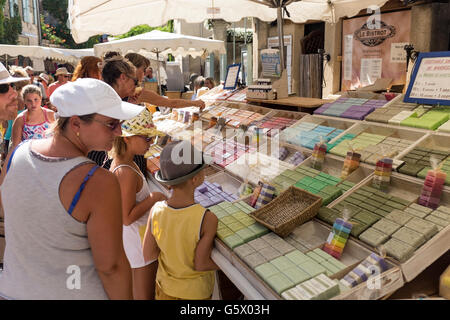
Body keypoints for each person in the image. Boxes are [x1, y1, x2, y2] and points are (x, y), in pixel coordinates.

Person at [0, 78, 141, 299]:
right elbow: (111, 267)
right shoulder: (97, 181)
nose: (119, 132)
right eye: (111, 124)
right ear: (75, 124)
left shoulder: (17, 153)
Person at [142, 140, 219, 300]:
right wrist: (225, 267)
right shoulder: (207, 218)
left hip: (165, 289)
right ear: (195, 179)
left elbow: (148, 254)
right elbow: (201, 264)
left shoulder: (156, 210)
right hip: (195, 294)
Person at [109, 109, 167, 299]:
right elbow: (126, 218)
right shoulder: (125, 171)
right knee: (144, 294)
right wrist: (154, 198)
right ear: (127, 138)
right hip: (137, 245)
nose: (150, 143)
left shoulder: (125, 162)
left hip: (136, 241)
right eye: (146, 138)